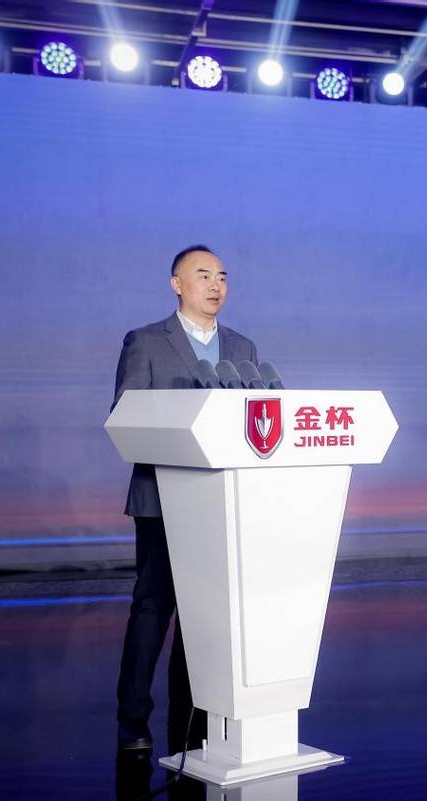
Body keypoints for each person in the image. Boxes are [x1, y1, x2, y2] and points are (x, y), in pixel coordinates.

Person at [113, 245, 259, 754]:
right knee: (154, 608)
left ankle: (190, 718)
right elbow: (127, 416)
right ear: (177, 284)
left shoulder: (242, 348)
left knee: (204, 616)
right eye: (203, 276)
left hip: (222, 504)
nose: (215, 285)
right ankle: (132, 719)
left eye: (222, 277)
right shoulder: (146, 342)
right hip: (162, 501)